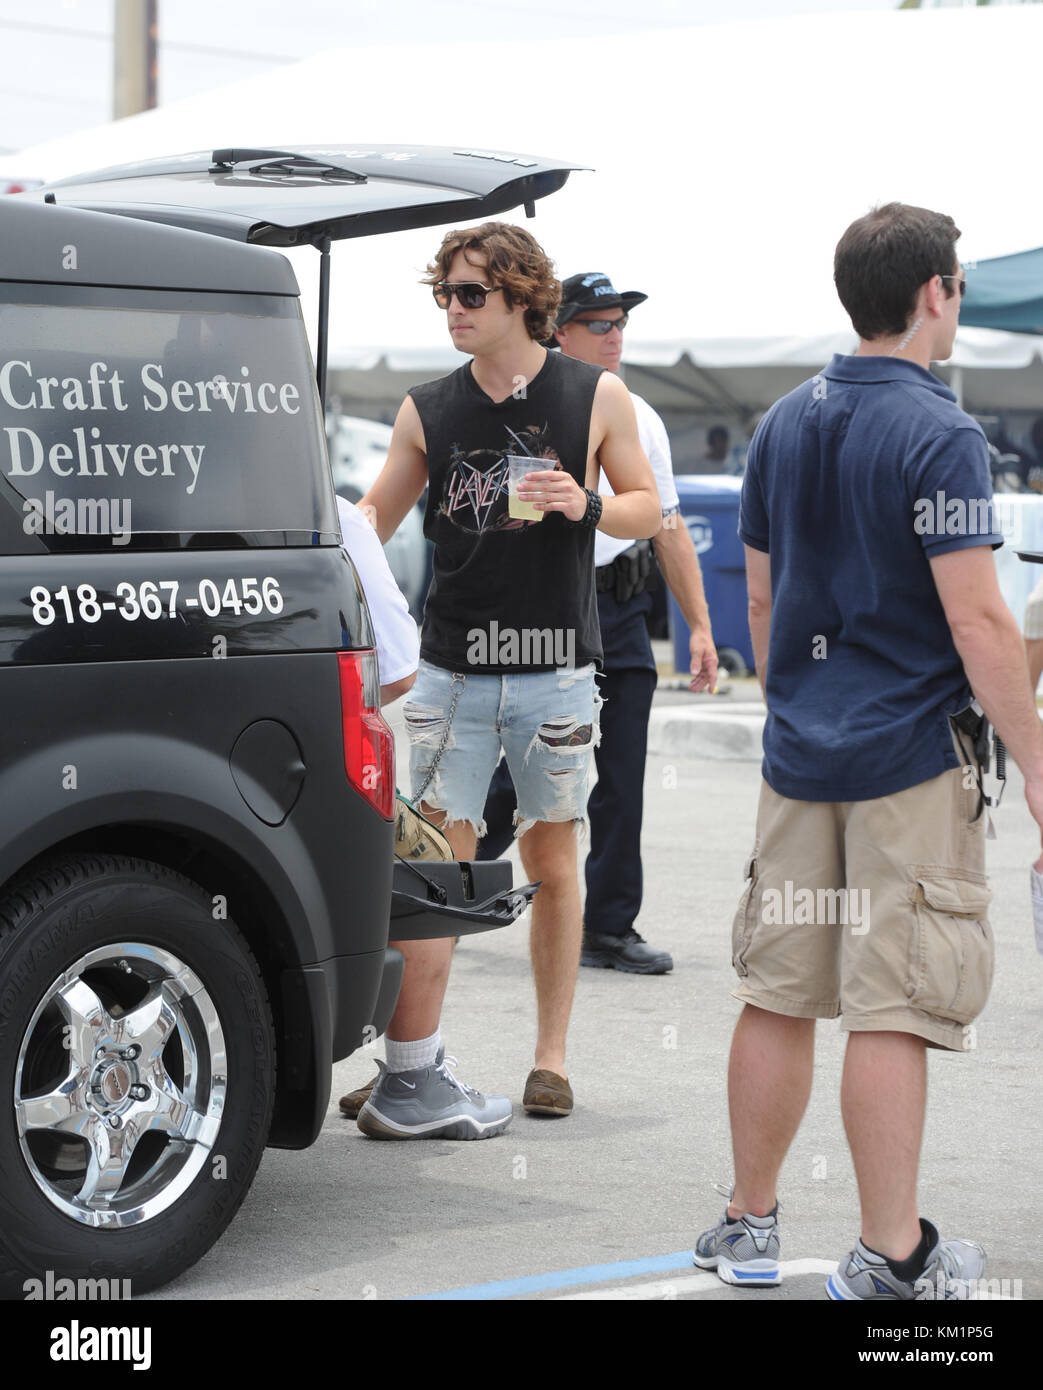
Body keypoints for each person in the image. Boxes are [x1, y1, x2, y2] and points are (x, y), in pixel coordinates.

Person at [691, 202, 1043, 1299]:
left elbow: (754, 594)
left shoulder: (784, 421)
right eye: (957, 284)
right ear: (932, 291)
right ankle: (892, 1255)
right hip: (905, 757)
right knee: (891, 1004)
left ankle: (748, 1224)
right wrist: (1037, 758)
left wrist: (797, 697)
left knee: (779, 988)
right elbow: (980, 624)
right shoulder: (937, 430)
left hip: (800, 755)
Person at [348, 223, 661, 1132]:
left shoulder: (595, 395)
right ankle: (411, 1065)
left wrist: (588, 503)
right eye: (444, 293)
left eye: (469, 294)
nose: (452, 308)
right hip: (450, 671)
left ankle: (549, 1059)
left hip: (554, 671)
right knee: (438, 868)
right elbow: (372, 521)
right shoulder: (427, 409)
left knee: (551, 859)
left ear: (522, 296)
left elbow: (647, 511)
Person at [477, 272, 717, 974]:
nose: (615, 335)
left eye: (620, 323)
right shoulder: (532, 407)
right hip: (551, 600)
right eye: (599, 323)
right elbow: (515, 526)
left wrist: (699, 627)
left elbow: (667, 526)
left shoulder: (641, 414)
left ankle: (608, 926)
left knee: (623, 771)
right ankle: (433, 881)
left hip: (620, 606)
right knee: (524, 769)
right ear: (559, 331)